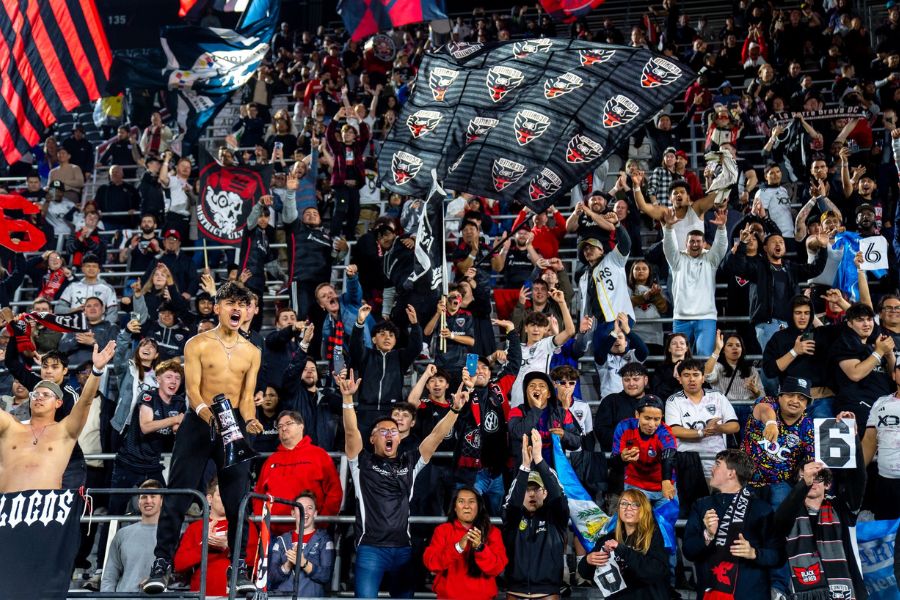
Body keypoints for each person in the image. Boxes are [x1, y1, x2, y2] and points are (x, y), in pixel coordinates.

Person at [143, 282, 263, 595]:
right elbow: (193, 390)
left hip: (233, 422)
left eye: (242, 303)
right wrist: (208, 416)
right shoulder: (197, 343)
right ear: (218, 307)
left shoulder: (252, 352)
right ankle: (162, 563)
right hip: (200, 420)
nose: (237, 308)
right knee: (179, 493)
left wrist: (250, 419)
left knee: (238, 501)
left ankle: (239, 566)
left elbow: (247, 396)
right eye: (231, 302)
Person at [339, 368, 468, 599]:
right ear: (372, 438)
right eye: (383, 431)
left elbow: (436, 436)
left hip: (403, 550)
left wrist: (455, 409)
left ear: (400, 437)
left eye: (394, 430)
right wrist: (348, 399)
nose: (390, 433)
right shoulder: (361, 462)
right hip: (370, 548)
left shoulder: (410, 462)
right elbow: (351, 432)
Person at [0, 341, 114, 493]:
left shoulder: (69, 397)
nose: (48, 371)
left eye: (54, 367)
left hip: (65, 450)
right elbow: (12, 363)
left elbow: (84, 404)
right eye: (45, 366)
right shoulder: (35, 386)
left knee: (63, 498)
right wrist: (14, 329)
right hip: (35, 444)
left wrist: (96, 371)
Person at [774, 427, 867, 600]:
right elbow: (779, 522)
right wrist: (803, 485)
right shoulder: (789, 510)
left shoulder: (841, 508)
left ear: (828, 485)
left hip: (847, 591)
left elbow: (858, 481)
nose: (813, 481)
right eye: (808, 477)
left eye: (818, 478)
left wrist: (853, 440)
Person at [683, 450, 783, 600]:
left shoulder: (761, 509)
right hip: (709, 593)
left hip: (750, 594)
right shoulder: (701, 505)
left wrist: (754, 553)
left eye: (717, 465)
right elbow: (688, 551)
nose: (712, 469)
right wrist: (707, 535)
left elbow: (778, 556)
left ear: (731, 474)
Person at [248, 409, 342, 563]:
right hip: (275, 536)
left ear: (301, 426)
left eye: (288, 423)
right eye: (279, 426)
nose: (283, 428)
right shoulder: (271, 461)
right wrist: (263, 523)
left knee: (311, 582)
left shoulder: (319, 456)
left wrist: (321, 521)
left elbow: (334, 491)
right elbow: (259, 495)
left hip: (312, 535)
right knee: (275, 582)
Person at [108, 360, 185, 519]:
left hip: (152, 466)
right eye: (169, 377)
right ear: (158, 379)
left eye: (177, 378)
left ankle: (159, 543)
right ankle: (106, 544)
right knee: (114, 514)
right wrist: (175, 420)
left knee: (166, 510)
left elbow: (178, 429)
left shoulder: (179, 402)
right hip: (128, 463)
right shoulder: (149, 396)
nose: (174, 381)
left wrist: (179, 427)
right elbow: (146, 426)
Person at [503, 429, 570, 600]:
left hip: (547, 593)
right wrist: (525, 466)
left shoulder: (556, 516)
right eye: (526, 489)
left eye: (536, 489)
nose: (531, 494)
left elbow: (558, 496)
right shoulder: (512, 517)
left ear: (545, 493)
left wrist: (539, 459)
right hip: (515, 592)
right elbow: (512, 505)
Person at [577, 488, 670, 599]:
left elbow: (656, 572)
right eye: (624, 503)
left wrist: (623, 551)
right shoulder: (609, 538)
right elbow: (585, 573)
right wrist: (588, 561)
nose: (628, 508)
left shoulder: (654, 536)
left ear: (644, 510)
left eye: (635, 504)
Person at [663, 207, 729, 355]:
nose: (695, 244)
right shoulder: (677, 259)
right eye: (691, 241)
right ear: (686, 244)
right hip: (680, 318)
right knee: (679, 359)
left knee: (704, 358)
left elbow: (721, 247)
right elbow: (668, 247)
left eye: (698, 241)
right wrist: (668, 228)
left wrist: (722, 228)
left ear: (704, 243)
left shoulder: (710, 259)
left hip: (706, 317)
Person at [422, 487, 508, 600]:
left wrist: (480, 548)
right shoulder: (442, 531)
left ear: (478, 506)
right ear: (455, 507)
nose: (466, 506)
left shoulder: (492, 532)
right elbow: (431, 563)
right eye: (461, 501)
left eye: (471, 501)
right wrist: (457, 547)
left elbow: (497, 568)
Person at [742, 376, 815, 508]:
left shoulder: (808, 426)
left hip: (780, 484)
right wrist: (770, 423)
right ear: (780, 396)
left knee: (781, 520)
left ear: (806, 405)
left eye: (801, 398)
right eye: (790, 395)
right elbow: (763, 409)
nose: (795, 401)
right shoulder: (769, 402)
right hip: (746, 479)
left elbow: (811, 459)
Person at [510, 287, 575, 408]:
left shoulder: (546, 344)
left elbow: (570, 331)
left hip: (539, 404)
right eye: (532, 325)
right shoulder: (515, 349)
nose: (536, 329)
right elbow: (495, 361)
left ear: (545, 330)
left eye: (540, 326)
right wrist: (495, 356)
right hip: (516, 404)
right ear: (525, 328)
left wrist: (562, 303)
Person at [611, 395, 677, 508]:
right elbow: (614, 461)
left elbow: (669, 455)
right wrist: (622, 458)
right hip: (635, 484)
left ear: (662, 417)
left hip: (663, 485)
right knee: (634, 523)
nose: (651, 424)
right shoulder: (624, 427)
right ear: (637, 414)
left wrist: (666, 480)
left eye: (657, 419)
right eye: (647, 418)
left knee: (664, 524)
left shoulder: (665, 431)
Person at [101, 480, 164, 595]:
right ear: (138, 501)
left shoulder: (170, 535)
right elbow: (110, 575)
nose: (148, 501)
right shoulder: (123, 534)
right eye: (144, 496)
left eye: (153, 496)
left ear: (161, 501)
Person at [268, 491, 336, 596]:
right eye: (300, 507)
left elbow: (326, 576)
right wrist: (287, 565)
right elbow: (271, 577)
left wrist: (303, 563)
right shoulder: (282, 541)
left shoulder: (324, 540)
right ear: (293, 513)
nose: (305, 512)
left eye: (310, 508)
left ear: (315, 513)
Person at [173, 478, 230, 597]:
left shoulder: (244, 526)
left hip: (234, 595)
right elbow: (179, 564)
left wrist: (228, 546)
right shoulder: (195, 528)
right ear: (209, 499)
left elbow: (253, 562)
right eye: (221, 495)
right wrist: (204, 546)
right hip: (201, 594)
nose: (226, 499)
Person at [862, 362, 900, 519]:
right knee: (886, 535)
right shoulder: (880, 403)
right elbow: (869, 442)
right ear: (894, 374)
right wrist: (855, 474)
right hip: (886, 481)